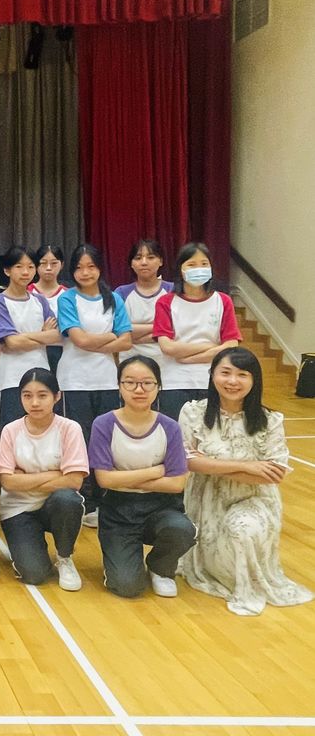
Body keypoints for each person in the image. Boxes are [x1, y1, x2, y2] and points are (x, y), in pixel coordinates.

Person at [178, 347, 313, 616]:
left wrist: (210, 464)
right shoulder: (193, 412)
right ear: (212, 375)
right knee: (218, 566)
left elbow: (274, 472)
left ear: (254, 380)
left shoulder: (270, 420)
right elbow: (187, 461)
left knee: (242, 529)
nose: (232, 381)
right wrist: (247, 466)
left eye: (242, 375)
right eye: (225, 373)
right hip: (206, 501)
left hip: (256, 498)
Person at [88, 356, 196, 598]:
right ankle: (121, 563)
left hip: (161, 507)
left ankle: (161, 567)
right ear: (119, 386)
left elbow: (176, 483)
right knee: (127, 586)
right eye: (130, 382)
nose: (139, 389)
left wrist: (123, 477)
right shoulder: (103, 424)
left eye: (147, 383)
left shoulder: (170, 427)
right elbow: (104, 480)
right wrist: (156, 471)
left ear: (158, 387)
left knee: (182, 529)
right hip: (117, 511)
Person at [56, 244, 132, 526]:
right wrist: (110, 336)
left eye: (90, 266)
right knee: (79, 440)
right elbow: (80, 340)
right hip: (74, 380)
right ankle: (84, 501)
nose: (85, 273)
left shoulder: (114, 299)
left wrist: (98, 340)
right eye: (79, 268)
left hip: (107, 379)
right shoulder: (67, 299)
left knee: (105, 441)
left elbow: (127, 341)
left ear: (100, 268)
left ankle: (104, 500)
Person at [0, 368, 87, 591]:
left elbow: (74, 482)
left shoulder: (69, 428)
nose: (34, 402)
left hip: (54, 504)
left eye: (42, 395)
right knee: (34, 574)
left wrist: (25, 478)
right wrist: (56, 474)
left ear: (57, 396)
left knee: (67, 499)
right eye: (27, 395)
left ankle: (64, 557)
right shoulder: (10, 430)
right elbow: (7, 482)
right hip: (18, 508)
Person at [154, 243, 242, 419]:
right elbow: (167, 347)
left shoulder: (223, 301)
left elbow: (231, 345)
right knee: (176, 431)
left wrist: (188, 358)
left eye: (204, 264)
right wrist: (209, 346)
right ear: (181, 269)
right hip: (174, 382)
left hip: (211, 381)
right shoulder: (165, 302)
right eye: (191, 265)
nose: (198, 269)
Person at [0, 246, 60, 445]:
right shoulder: (0, 302)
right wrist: (41, 335)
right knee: (9, 438)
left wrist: (22, 337)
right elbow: (11, 342)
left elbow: (55, 336)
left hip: (41, 373)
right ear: (7, 270)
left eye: (30, 266)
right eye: (19, 267)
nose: (26, 272)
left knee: (42, 436)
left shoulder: (40, 301)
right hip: (10, 379)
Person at [116, 238, 173, 367]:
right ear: (131, 263)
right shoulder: (121, 293)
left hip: (167, 364)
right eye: (138, 258)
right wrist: (160, 330)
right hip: (130, 363)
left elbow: (178, 329)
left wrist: (133, 333)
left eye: (151, 257)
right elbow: (119, 331)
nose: (144, 262)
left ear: (161, 261)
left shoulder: (172, 290)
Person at [30, 244, 68, 374]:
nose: (48, 268)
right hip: (34, 351)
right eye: (43, 263)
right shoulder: (27, 293)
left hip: (63, 353)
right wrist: (43, 333)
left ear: (62, 265)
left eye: (54, 263)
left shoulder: (68, 295)